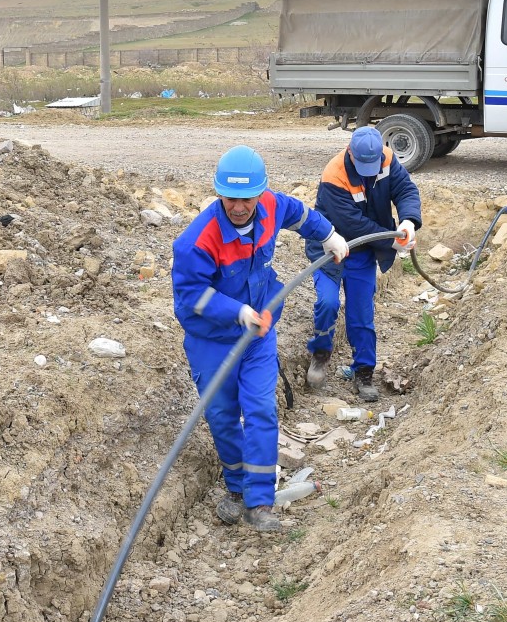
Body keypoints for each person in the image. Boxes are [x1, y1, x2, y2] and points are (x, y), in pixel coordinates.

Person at [171, 145, 349, 532]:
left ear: (259, 193)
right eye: (231, 199)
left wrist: (330, 235)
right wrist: (235, 311)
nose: (239, 206)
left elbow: (300, 214)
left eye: (247, 198)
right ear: (219, 194)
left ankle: (258, 502)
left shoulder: (270, 206)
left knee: (261, 411)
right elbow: (191, 295)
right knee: (221, 415)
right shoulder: (196, 241)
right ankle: (236, 486)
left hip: (258, 336)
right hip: (212, 340)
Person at [305, 126, 422, 404]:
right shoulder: (334, 174)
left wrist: (408, 221)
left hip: (364, 251)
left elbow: (406, 190)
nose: (370, 171)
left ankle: (364, 371)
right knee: (328, 303)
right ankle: (320, 354)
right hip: (329, 247)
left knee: (361, 312)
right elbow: (351, 224)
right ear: (351, 153)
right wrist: (392, 242)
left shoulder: (388, 160)